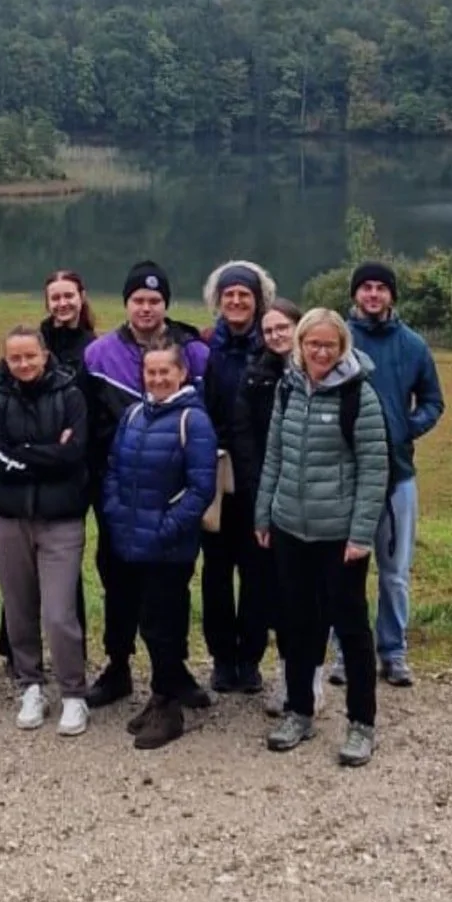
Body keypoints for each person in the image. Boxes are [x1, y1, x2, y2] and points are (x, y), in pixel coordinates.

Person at [255, 308, 390, 768]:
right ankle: (299, 711)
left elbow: (374, 470)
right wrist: (264, 513)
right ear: (299, 344)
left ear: (342, 347)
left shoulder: (360, 396)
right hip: (291, 527)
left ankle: (361, 722)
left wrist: (360, 534)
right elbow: (274, 453)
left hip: (339, 536)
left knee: (351, 628)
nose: (320, 352)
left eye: (329, 345)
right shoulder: (288, 388)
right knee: (297, 624)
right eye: (312, 343)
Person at [82, 262, 210, 710]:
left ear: (166, 305)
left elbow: (205, 418)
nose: (147, 307)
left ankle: (172, 672)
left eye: (155, 301)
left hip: (172, 496)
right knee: (118, 582)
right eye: (138, 300)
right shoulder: (99, 354)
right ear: (126, 304)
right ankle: (117, 666)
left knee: (171, 589)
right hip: (116, 491)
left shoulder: (193, 352)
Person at [100, 340, 218, 750]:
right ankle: (158, 696)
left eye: (165, 372)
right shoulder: (134, 414)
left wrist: (167, 527)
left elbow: (201, 488)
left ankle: (169, 707)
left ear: (182, 373)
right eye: (150, 373)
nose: (157, 379)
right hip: (133, 539)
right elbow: (113, 468)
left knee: (162, 624)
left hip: (169, 546)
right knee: (147, 621)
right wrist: (115, 513)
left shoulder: (193, 420)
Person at [342, 261, 447, 688]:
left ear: (391, 296)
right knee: (342, 570)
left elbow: (432, 402)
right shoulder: (337, 339)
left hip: (397, 473)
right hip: (345, 473)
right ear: (355, 294)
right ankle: (344, 652)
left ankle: (393, 649)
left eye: (380, 288)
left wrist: (407, 429)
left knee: (394, 571)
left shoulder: (414, 346)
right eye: (365, 287)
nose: (372, 295)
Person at [0, 324, 92, 736]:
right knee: (18, 607)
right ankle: (30, 684)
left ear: (44, 355)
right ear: (7, 360)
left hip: (60, 519)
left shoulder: (70, 395)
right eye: (15, 357)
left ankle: (73, 693)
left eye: (31, 355)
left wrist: (26, 453)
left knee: (59, 612)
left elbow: (74, 454)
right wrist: (45, 453)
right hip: (9, 518)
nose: (24, 364)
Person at [0, 269, 97, 675]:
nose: (62, 303)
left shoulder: (92, 348)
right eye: (55, 297)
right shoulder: (33, 339)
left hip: (70, 473)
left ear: (81, 297)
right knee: (19, 579)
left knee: (63, 576)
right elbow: (0, 385)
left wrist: (64, 449)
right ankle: (18, 658)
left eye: (68, 296)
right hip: (24, 478)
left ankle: (72, 656)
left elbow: (83, 421)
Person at [199, 260, 278, 697]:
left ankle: (250, 660)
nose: (235, 300)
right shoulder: (204, 345)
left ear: (257, 298)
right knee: (215, 571)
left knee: (256, 571)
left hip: (259, 475)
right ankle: (221, 658)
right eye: (229, 294)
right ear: (218, 298)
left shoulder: (273, 345)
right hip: (213, 473)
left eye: (243, 294)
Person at [231, 297, 310, 718]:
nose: (276, 336)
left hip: (310, 501)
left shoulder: (320, 371)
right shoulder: (256, 375)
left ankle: (302, 680)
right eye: (269, 330)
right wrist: (259, 489)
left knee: (304, 594)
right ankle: (280, 675)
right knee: (269, 590)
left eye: (283, 328)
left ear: (299, 327)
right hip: (266, 496)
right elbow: (243, 435)